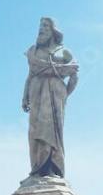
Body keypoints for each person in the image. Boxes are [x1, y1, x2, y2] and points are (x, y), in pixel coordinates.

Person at [21, 17, 79, 177]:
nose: (42, 29)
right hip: (36, 93)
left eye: (46, 25)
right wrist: (24, 95)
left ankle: (53, 168)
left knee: (52, 130)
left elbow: (74, 74)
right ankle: (37, 170)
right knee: (35, 131)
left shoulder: (64, 52)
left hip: (55, 95)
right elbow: (30, 75)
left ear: (53, 30)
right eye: (40, 26)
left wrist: (65, 94)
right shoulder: (34, 51)